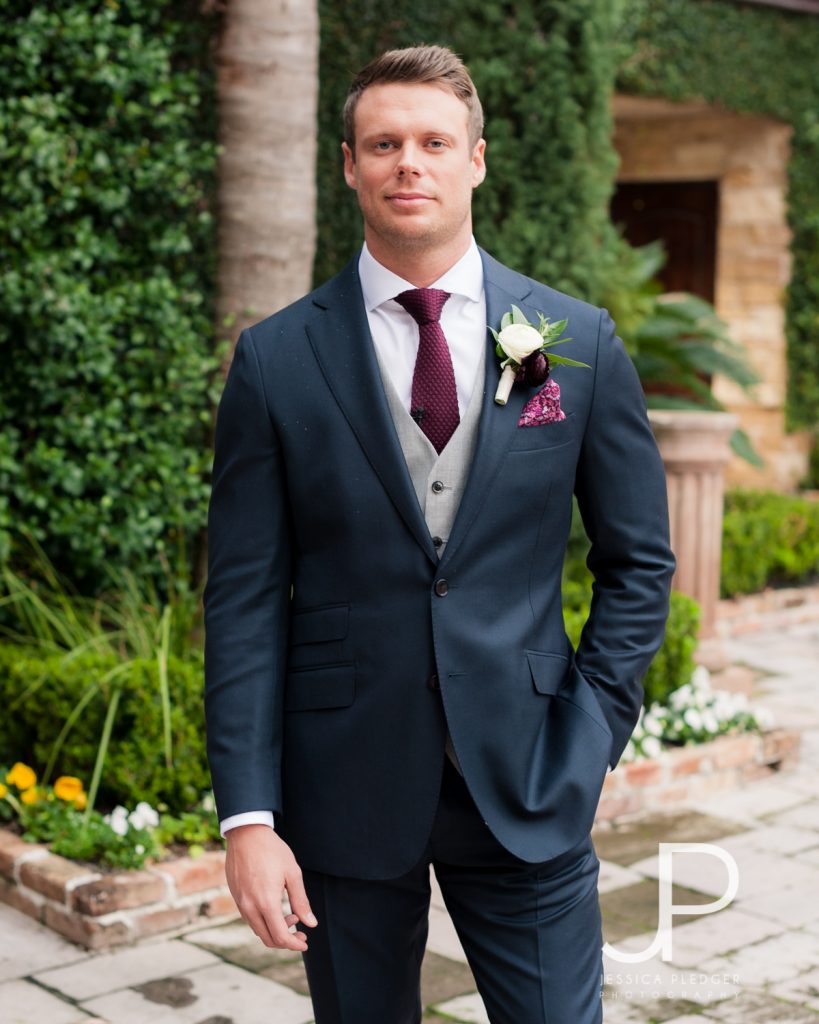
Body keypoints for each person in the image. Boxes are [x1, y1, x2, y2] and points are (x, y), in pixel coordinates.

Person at [203, 44, 675, 1024]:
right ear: (349, 165)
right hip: (341, 783)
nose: (407, 163)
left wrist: (590, 731)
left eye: (431, 141)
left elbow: (638, 561)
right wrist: (249, 815)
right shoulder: (277, 360)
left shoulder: (576, 342)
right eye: (384, 143)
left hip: (529, 771)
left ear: (477, 159)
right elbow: (244, 598)